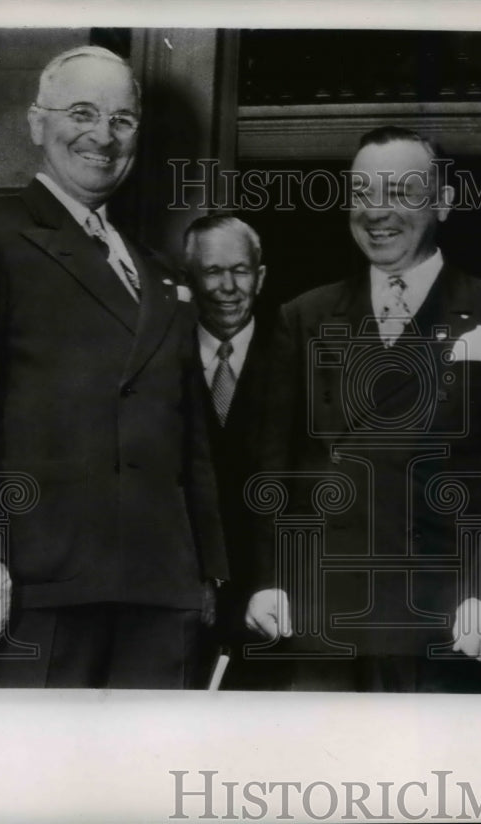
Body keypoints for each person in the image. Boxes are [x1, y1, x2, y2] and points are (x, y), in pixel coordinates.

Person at [0, 45, 227, 688]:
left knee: (143, 781)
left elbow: (190, 437)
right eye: (81, 112)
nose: (102, 136)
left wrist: (207, 570)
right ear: (36, 123)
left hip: (160, 589)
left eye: (122, 120)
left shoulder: (161, 274)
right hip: (36, 582)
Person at [244, 126, 481, 691]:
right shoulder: (304, 314)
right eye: (363, 192)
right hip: (323, 612)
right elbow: (276, 464)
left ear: (444, 203)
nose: (377, 212)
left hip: (450, 616)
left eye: (401, 192)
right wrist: (271, 577)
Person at [181, 214, 280, 689]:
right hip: (183, 597)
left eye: (240, 270)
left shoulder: (298, 353)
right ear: (189, 279)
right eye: (211, 271)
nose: (227, 286)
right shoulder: (160, 357)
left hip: (273, 602)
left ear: (259, 277)